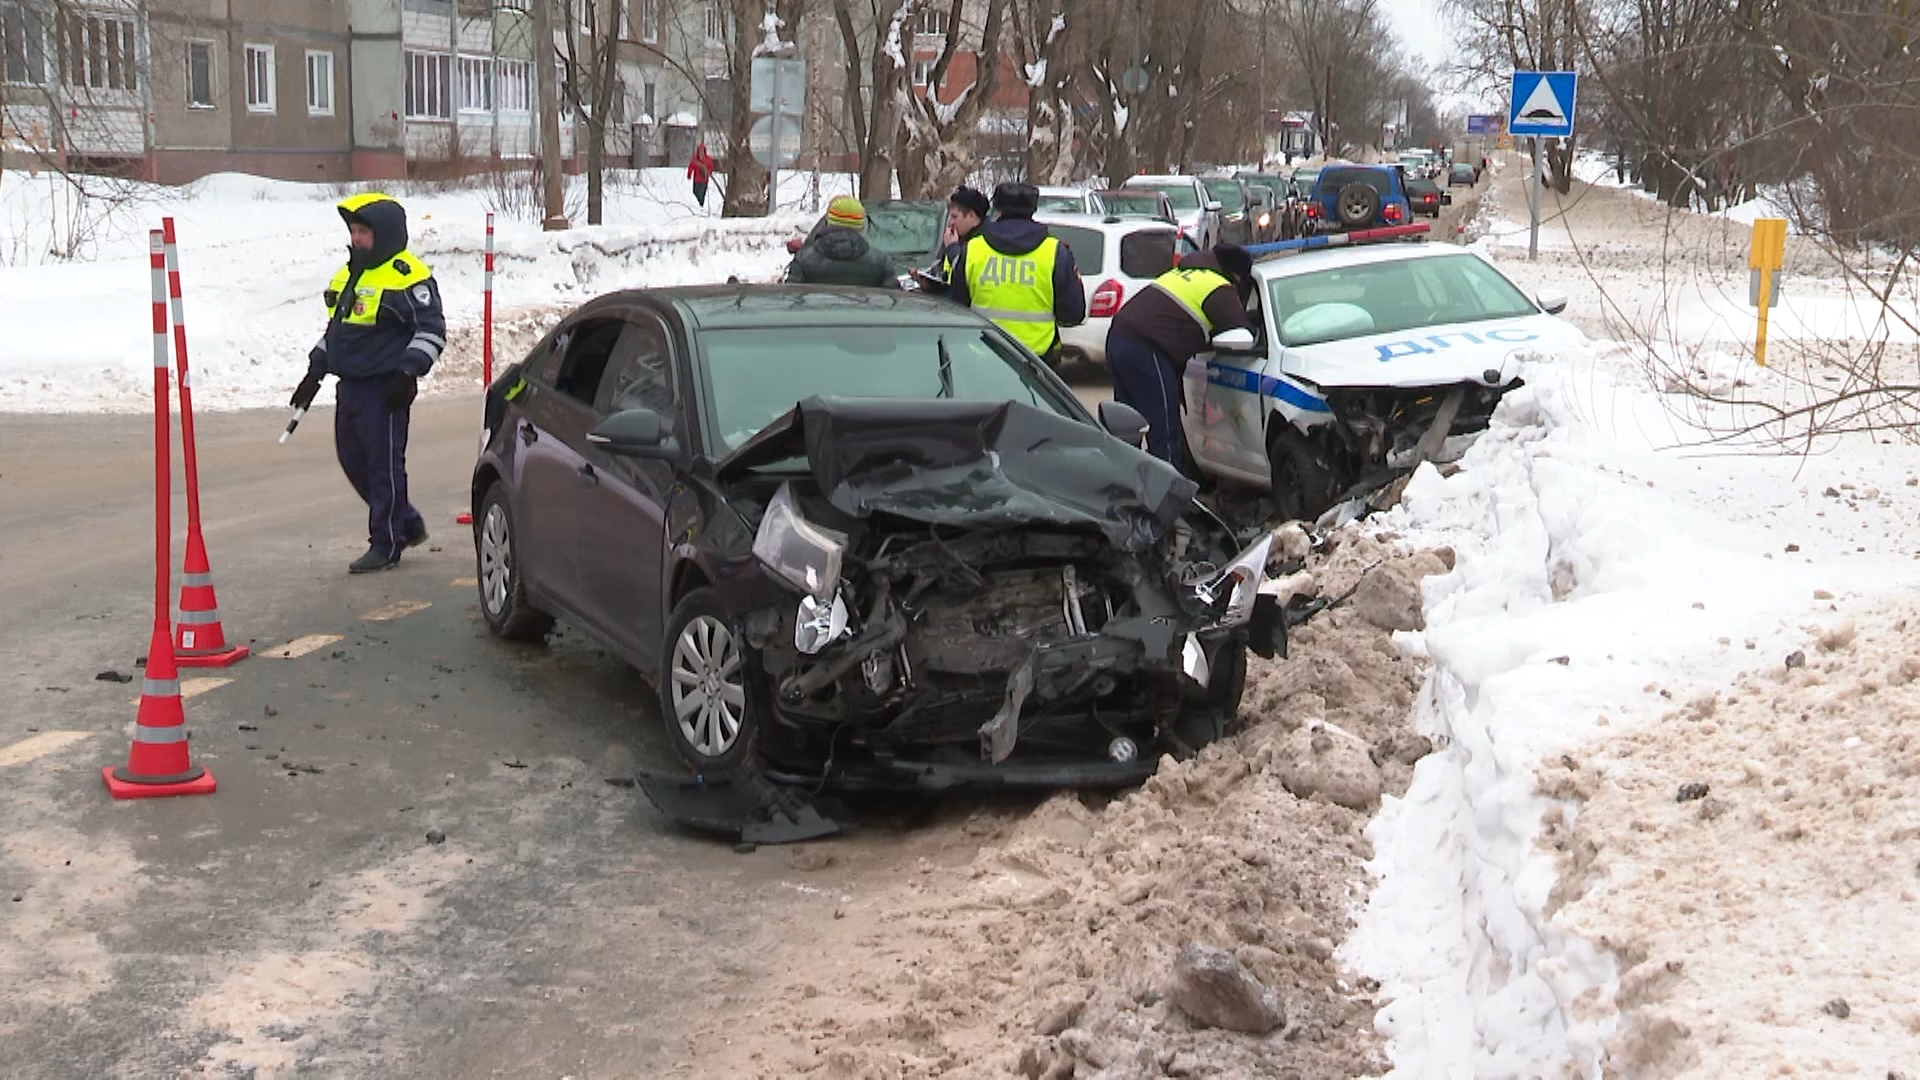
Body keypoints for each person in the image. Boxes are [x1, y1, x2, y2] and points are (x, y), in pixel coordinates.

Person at [290, 193, 446, 574]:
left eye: (364, 232)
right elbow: (339, 330)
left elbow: (432, 330)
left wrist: (406, 372)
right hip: (351, 386)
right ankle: (405, 522)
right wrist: (315, 370)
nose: (356, 238)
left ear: (386, 234)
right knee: (351, 458)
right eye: (354, 231)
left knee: (383, 466)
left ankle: (386, 543)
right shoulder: (348, 275)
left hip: (385, 388)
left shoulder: (408, 276)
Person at [1103, 244, 1256, 473]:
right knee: (1163, 430)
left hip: (1118, 337)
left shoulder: (1183, 273)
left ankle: (1123, 486)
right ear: (1237, 275)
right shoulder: (1218, 287)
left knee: (1127, 426)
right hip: (1148, 348)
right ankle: (1168, 496)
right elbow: (1242, 329)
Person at [945, 182, 1087, 366]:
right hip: (1038, 362)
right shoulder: (1054, 252)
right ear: (1033, 208)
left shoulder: (973, 249)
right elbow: (1073, 313)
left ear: (998, 209)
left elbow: (957, 308)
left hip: (983, 357)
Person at [784, 196, 900, 288]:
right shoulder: (881, 262)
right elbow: (894, 304)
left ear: (829, 222)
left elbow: (791, 301)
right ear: (860, 226)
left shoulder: (805, 259)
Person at [912, 184, 989, 297]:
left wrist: (953, 249)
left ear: (971, 216)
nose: (951, 223)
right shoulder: (955, 240)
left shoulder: (987, 243)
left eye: (955, 217)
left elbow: (968, 291)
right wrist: (929, 285)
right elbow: (950, 285)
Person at [687, 142, 717, 208]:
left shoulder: (708, 160)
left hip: (704, 181)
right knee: (695, 192)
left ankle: (700, 206)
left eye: (702, 151)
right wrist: (689, 174)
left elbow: (711, 168)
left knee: (701, 194)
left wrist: (708, 172)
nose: (701, 153)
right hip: (696, 180)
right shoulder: (695, 159)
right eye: (700, 151)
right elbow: (691, 166)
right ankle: (698, 205)